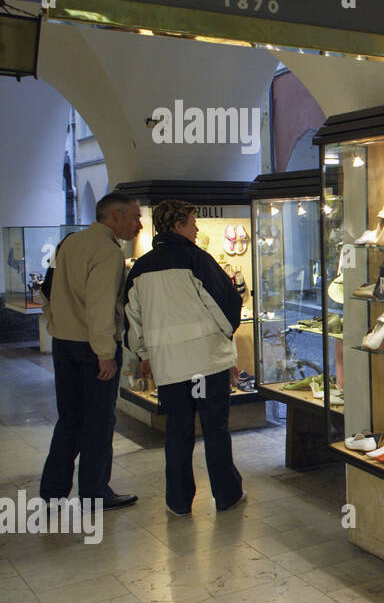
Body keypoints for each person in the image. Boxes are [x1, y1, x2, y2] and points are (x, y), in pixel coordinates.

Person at [124, 200, 245, 514]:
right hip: (206, 365)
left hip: (171, 369)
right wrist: (228, 338)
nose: (197, 228)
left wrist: (144, 353)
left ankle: (178, 501)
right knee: (215, 430)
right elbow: (223, 306)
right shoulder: (197, 259)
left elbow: (132, 320)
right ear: (177, 225)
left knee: (177, 433)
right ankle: (227, 495)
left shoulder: (140, 268)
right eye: (193, 222)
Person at [40, 190, 143, 509]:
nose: (139, 224)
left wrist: (57, 325)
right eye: (134, 217)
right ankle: (95, 491)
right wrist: (104, 353)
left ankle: (54, 490)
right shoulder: (107, 252)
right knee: (98, 421)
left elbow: (49, 289)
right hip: (92, 347)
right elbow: (100, 306)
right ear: (114, 217)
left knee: (69, 418)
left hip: (65, 343)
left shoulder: (70, 243)